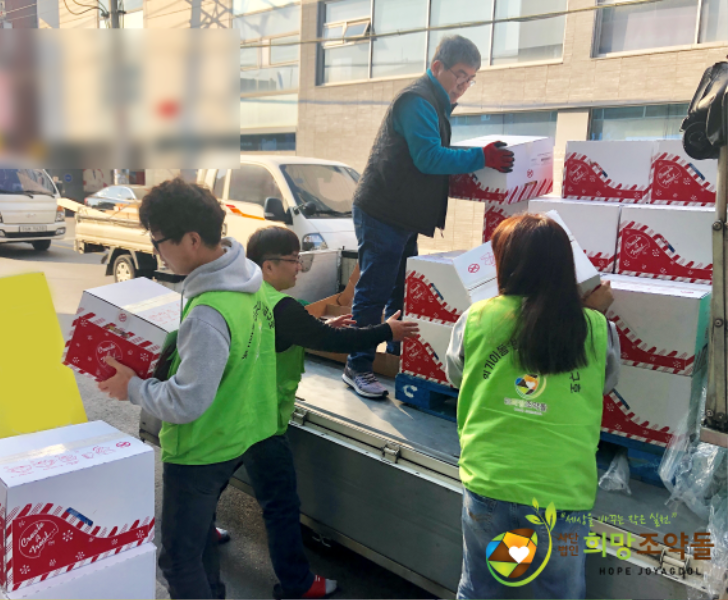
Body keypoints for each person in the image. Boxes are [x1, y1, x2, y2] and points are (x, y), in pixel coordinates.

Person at [97, 178, 279, 600]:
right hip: (235, 435)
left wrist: (132, 387)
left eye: (159, 241)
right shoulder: (249, 283)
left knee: (178, 561)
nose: (156, 251)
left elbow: (187, 401)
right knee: (200, 545)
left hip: (199, 450)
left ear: (192, 240)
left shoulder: (208, 312)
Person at [444, 214, 620, 600]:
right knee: (559, 593)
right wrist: (592, 313)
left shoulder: (477, 318)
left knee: (480, 588)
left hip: (490, 483)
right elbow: (604, 383)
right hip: (562, 493)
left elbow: (457, 376)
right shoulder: (595, 327)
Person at [240, 225, 419, 599]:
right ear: (268, 266)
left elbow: (286, 332)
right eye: (294, 261)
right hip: (262, 423)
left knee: (213, 477)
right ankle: (297, 584)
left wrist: (319, 324)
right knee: (281, 506)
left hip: (236, 415)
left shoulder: (248, 296)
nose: (299, 268)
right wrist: (386, 331)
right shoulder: (283, 307)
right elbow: (332, 341)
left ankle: (201, 530)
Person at [344, 35, 516, 399]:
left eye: (471, 79)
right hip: (383, 211)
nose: (464, 84)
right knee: (375, 291)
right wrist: (481, 158)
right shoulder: (417, 100)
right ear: (437, 67)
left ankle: (396, 355)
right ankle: (357, 365)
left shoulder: (436, 103)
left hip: (403, 214)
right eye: (460, 75)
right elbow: (429, 157)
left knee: (402, 290)